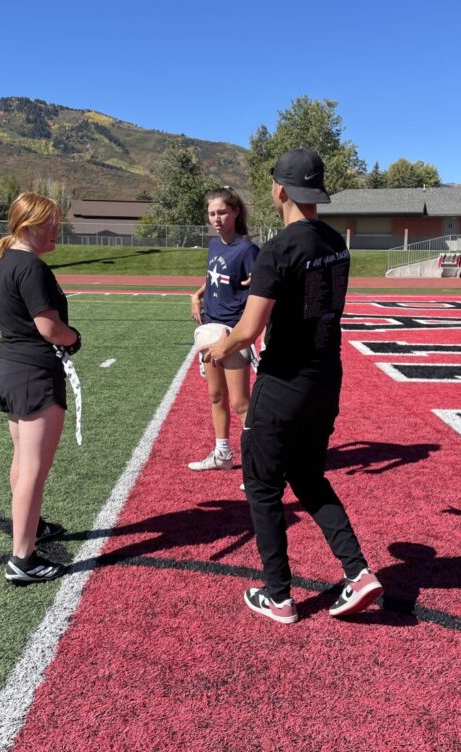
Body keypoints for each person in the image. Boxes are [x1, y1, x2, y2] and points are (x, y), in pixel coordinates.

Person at [203, 149, 383, 623]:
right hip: (326, 378)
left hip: (284, 381)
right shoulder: (336, 241)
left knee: (261, 485)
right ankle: (358, 572)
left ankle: (279, 594)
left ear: (279, 190)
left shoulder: (280, 249)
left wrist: (218, 350)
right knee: (307, 476)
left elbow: (248, 330)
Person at [0, 191, 81, 585]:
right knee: (33, 469)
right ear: (28, 227)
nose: (56, 231)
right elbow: (49, 328)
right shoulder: (30, 267)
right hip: (33, 373)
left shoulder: (7, 263)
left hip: (9, 368)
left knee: (22, 460)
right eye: (50, 224)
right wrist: (73, 336)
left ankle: (33, 528)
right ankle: (22, 558)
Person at [187, 186, 260, 472]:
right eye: (212, 213)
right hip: (210, 328)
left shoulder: (248, 249)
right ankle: (223, 454)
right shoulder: (215, 244)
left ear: (236, 212)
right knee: (216, 396)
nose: (217, 219)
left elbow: (261, 287)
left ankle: (258, 467)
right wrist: (197, 294)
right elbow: (215, 276)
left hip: (233, 333)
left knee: (242, 403)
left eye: (222, 212)